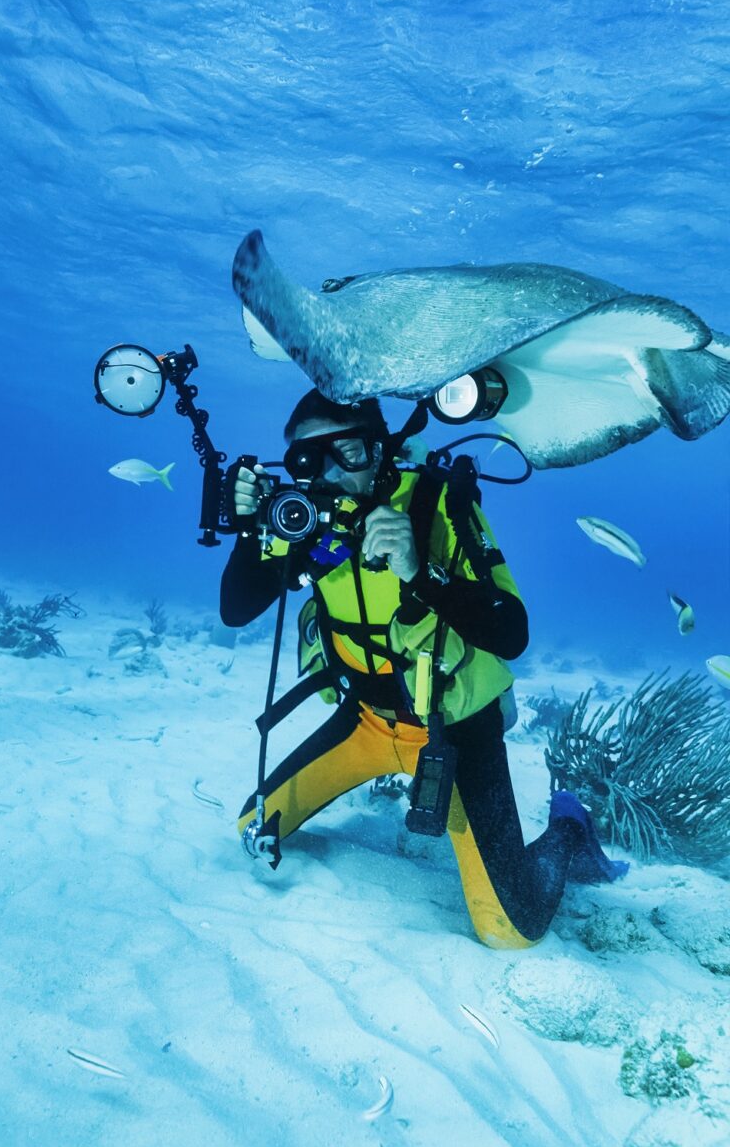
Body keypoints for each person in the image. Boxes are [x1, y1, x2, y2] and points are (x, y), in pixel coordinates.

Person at [220, 389, 627, 950]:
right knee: (253, 829)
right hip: (366, 719)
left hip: (453, 730)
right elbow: (235, 609)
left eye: (351, 453)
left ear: (381, 450)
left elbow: (512, 632)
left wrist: (418, 570)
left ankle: (568, 831)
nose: (333, 474)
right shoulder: (304, 521)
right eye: (310, 460)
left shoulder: (438, 504)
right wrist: (248, 530)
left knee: (509, 931)